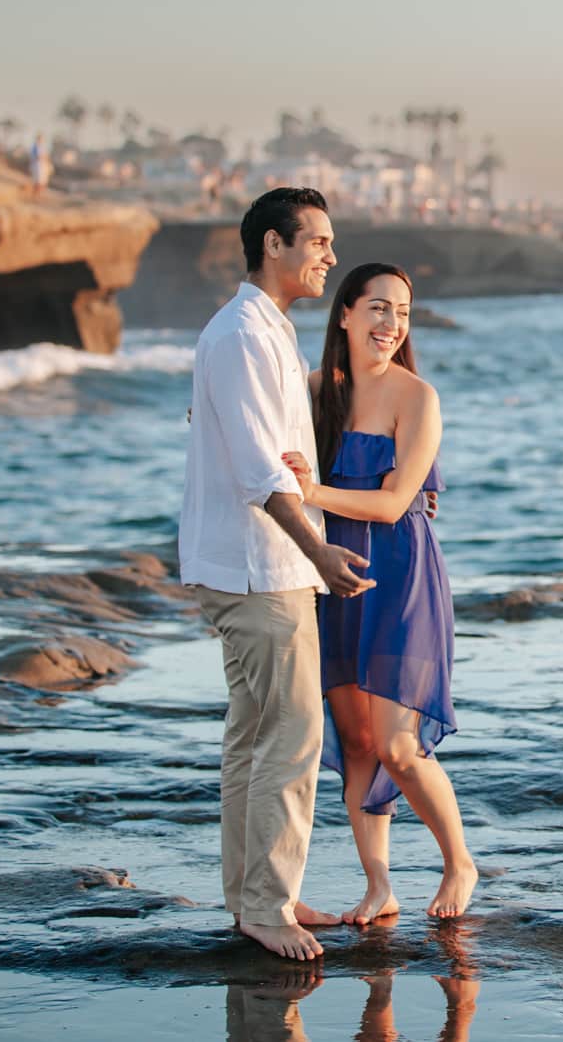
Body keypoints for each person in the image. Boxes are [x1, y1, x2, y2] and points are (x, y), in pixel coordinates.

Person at [180, 186, 374, 960]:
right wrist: (319, 550)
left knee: (254, 737)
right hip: (263, 569)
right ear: (273, 245)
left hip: (253, 563)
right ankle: (265, 905)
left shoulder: (263, 333)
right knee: (292, 736)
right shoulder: (242, 338)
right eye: (318, 241)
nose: (329, 255)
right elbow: (262, 473)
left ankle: (260, 896)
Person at [280, 262, 477, 923]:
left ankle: (459, 862)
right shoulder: (313, 393)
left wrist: (311, 492)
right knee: (357, 742)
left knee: (398, 743)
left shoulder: (418, 398)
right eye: (378, 308)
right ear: (344, 314)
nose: (391, 324)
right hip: (335, 577)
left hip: (400, 578)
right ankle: (378, 884)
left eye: (402, 312)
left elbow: (395, 503)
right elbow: (245, 418)